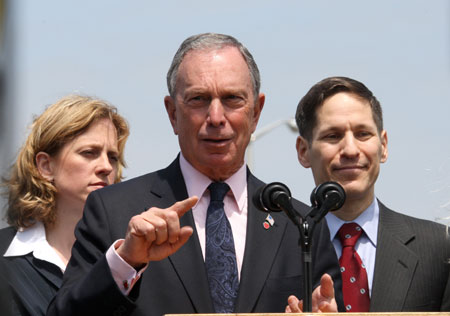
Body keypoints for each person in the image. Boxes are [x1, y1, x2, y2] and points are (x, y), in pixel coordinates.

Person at [48, 33, 344, 316]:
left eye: (232, 99)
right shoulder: (113, 212)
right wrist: (126, 261)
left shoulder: (300, 227)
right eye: (199, 99)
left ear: (256, 112)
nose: (216, 118)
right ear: (172, 113)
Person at [293, 76, 450, 312]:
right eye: (333, 136)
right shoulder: (278, 250)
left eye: (363, 134)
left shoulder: (439, 249)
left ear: (383, 146)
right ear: (304, 151)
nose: (350, 150)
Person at [0, 95, 129, 315]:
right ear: (45, 166)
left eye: (113, 157)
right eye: (89, 153)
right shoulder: (3, 257)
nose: (106, 167)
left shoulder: (128, 260)